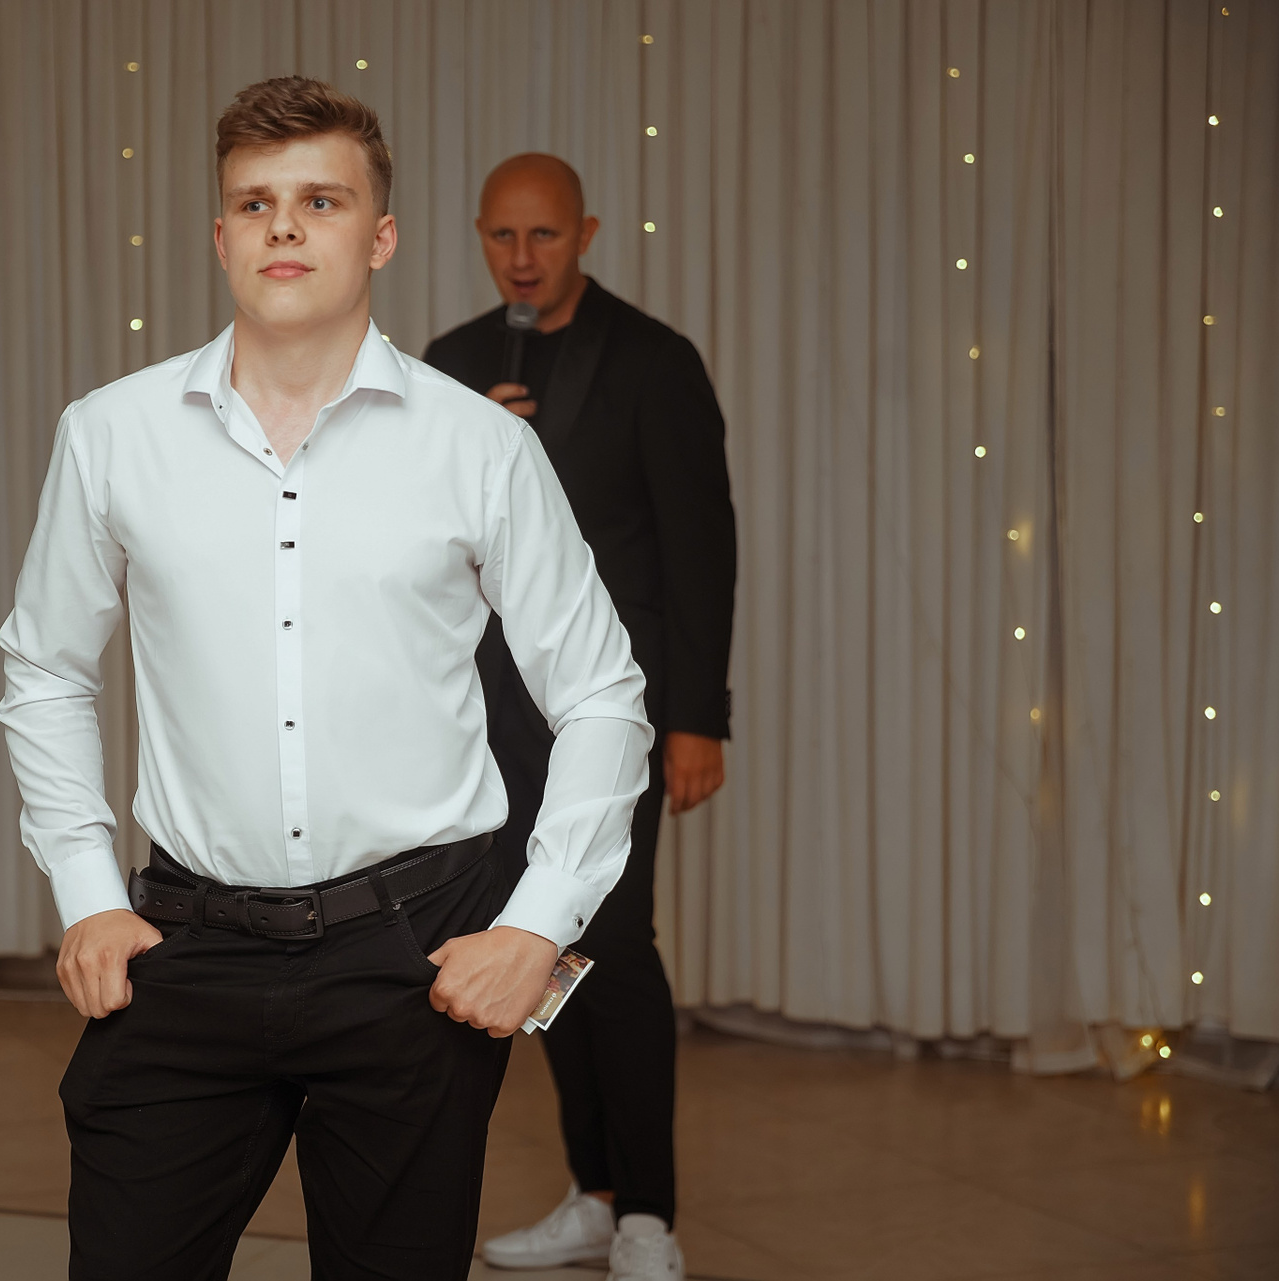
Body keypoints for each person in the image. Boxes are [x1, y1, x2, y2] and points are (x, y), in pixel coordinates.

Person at [0, 82, 654, 1280]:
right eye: (256, 204)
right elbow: (43, 668)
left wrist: (535, 923)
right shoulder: (111, 435)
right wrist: (86, 892)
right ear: (222, 237)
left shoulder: (481, 446)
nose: (286, 227)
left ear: (380, 237)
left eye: (321, 201)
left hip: (414, 957)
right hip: (188, 946)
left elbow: (604, 693)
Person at [423, 154, 737, 1281]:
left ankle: (648, 1212)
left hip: (620, 710)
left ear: (586, 233)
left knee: (619, 944)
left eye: (544, 235)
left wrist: (698, 717)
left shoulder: (654, 360)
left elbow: (699, 549)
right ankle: (594, 1193)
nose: (521, 258)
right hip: (487, 715)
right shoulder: (450, 366)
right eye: (502, 236)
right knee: (537, 943)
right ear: (477, 235)